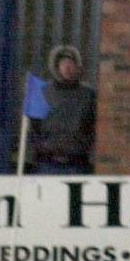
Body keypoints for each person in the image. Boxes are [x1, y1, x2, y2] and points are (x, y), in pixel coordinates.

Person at [31, 45, 97, 174]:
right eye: (63, 63)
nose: (67, 67)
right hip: (47, 164)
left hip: (77, 164)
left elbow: (94, 128)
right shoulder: (43, 93)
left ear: (78, 67)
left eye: (71, 63)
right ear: (56, 67)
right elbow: (34, 129)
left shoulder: (89, 96)